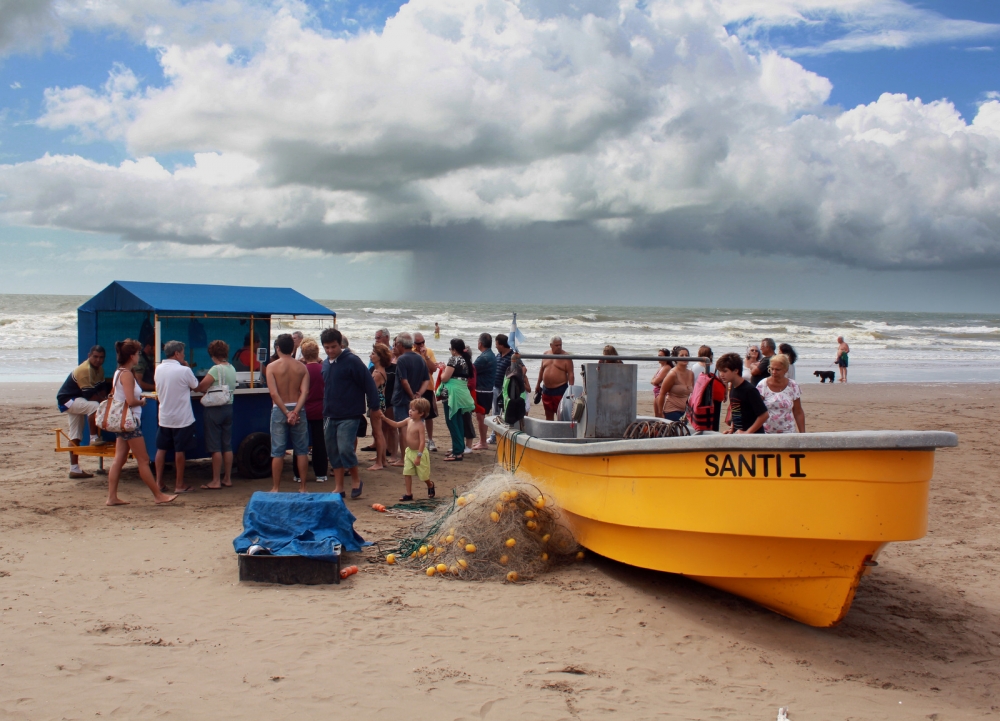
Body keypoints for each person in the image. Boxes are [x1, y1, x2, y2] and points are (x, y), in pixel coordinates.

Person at [105, 340, 177, 506]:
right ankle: (158, 495)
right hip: (130, 422)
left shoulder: (118, 372)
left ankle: (112, 497)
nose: (139, 356)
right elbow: (130, 400)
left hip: (121, 421)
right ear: (132, 356)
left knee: (119, 459)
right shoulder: (127, 374)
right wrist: (142, 401)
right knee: (143, 460)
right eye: (137, 354)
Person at [321, 328, 383, 498]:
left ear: (340, 344)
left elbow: (368, 384)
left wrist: (375, 407)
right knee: (332, 450)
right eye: (326, 347)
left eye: (333, 347)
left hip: (350, 413)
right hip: (329, 414)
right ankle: (339, 486)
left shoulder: (352, 361)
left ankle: (356, 480)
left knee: (345, 448)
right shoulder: (325, 363)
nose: (330, 350)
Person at [265, 333, 310, 493]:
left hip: (280, 408)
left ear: (278, 348)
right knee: (301, 449)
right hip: (298, 408)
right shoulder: (301, 367)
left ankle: (276, 487)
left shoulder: (272, 367)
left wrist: (286, 412)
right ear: (293, 348)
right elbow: (304, 392)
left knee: (277, 450)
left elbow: (274, 393)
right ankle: (303, 486)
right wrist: (295, 412)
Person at [57, 345, 109, 479]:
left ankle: (74, 469)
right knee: (94, 406)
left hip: (77, 399)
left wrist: (105, 397)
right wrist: (105, 401)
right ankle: (93, 438)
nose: (98, 360)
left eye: (101, 357)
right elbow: (89, 396)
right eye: (95, 357)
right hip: (68, 400)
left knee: (75, 434)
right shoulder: (85, 370)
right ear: (89, 356)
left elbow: (102, 388)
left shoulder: (99, 369)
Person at [154, 340, 199, 493]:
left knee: (161, 449)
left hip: (165, 416)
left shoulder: (158, 369)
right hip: (182, 417)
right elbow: (196, 386)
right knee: (180, 451)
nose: (184, 355)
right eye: (183, 353)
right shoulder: (184, 371)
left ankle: (158, 482)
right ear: (177, 353)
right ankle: (179, 484)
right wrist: (186, 367)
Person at [194, 340, 236, 490]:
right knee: (227, 445)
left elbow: (201, 387)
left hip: (215, 409)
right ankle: (227, 478)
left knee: (215, 446)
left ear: (212, 354)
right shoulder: (231, 368)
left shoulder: (215, 369)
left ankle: (216, 480)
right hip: (228, 407)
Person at [381, 397, 433, 501]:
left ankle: (430, 484)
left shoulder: (420, 425)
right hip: (409, 452)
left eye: (413, 410)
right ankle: (408, 494)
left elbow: (422, 442)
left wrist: (419, 456)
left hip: (419, 453)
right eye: (410, 409)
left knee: (423, 475)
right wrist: (384, 418)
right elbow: (396, 424)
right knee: (407, 472)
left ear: (421, 413)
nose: (410, 411)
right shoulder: (408, 420)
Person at [292, 339, 328, 483]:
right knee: (320, 443)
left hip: (304, 408)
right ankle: (320, 473)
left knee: (300, 443)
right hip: (321, 409)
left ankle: (298, 474)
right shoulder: (324, 369)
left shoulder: (301, 369)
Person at [392, 333, 431, 466]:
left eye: (397, 344)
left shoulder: (402, 359)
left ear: (401, 345)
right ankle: (411, 456)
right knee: (416, 427)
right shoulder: (420, 358)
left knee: (403, 428)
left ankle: (404, 458)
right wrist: (419, 393)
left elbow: (404, 381)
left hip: (402, 398)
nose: (396, 346)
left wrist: (411, 395)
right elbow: (427, 379)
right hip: (415, 398)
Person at [437, 338, 477, 461]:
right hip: (462, 392)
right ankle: (458, 448)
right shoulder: (466, 360)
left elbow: (445, 378)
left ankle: (457, 451)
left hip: (452, 393)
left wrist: (443, 369)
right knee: (458, 421)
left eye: (450, 349)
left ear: (454, 350)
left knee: (452, 421)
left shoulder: (454, 359)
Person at [715, 353, 768, 434]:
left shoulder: (749, 390)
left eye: (725, 371)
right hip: (738, 435)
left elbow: (764, 415)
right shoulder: (733, 387)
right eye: (720, 371)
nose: (721, 374)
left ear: (736, 371)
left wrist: (747, 433)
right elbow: (736, 411)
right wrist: (732, 429)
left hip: (753, 438)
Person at [757, 354, 805, 434]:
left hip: (788, 432)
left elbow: (798, 411)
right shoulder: (762, 385)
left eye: (777, 369)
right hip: (766, 432)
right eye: (772, 369)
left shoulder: (793, 386)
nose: (774, 372)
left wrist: (803, 434)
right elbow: (756, 410)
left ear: (785, 370)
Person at [366, 343, 393, 470]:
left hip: (376, 403)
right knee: (379, 431)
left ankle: (379, 462)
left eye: (373, 354)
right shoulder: (380, 371)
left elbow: (372, 390)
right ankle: (382, 460)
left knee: (378, 432)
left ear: (379, 357)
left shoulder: (377, 374)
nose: (371, 356)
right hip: (380, 402)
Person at [536, 336, 574, 421]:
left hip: (560, 389)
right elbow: (541, 371)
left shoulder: (566, 357)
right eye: (556, 345)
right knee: (548, 414)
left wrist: (571, 389)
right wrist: (538, 384)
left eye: (560, 345)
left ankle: (561, 432)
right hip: (546, 389)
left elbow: (571, 374)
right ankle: (550, 433)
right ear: (551, 345)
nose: (559, 347)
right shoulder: (545, 354)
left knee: (561, 414)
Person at [413, 332, 439, 451]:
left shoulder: (428, 351)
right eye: (419, 343)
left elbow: (433, 368)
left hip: (428, 387)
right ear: (414, 343)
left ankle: (430, 439)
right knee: (415, 415)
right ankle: (416, 440)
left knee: (429, 416)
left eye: (423, 342)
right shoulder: (411, 352)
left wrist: (426, 356)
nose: (421, 345)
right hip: (415, 387)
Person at [654, 347, 693, 421]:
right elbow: (662, 393)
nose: (685, 357)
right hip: (671, 411)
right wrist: (660, 413)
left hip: (685, 413)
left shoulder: (691, 373)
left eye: (686, 355)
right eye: (681, 356)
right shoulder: (673, 374)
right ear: (676, 358)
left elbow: (691, 394)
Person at [472, 333, 496, 450]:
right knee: (481, 415)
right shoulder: (490, 355)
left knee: (480, 416)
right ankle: (482, 440)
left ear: (480, 343)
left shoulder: (484, 358)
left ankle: (483, 442)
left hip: (483, 390)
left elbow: (471, 370)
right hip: (487, 389)